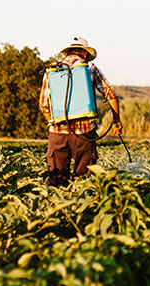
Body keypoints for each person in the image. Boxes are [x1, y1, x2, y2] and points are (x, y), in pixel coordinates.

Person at [38, 37, 122, 186]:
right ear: (84, 54)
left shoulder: (52, 71)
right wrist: (116, 121)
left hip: (58, 134)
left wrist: (56, 122)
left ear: (68, 52)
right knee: (83, 184)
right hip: (84, 134)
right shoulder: (90, 69)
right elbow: (111, 94)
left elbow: (44, 105)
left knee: (57, 183)